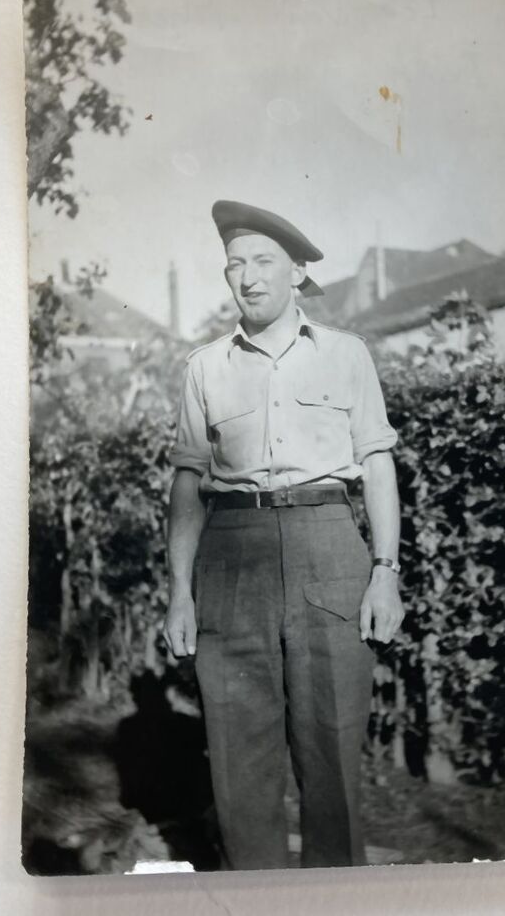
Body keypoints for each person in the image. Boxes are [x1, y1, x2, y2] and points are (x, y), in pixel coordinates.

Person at [163, 200, 404, 870]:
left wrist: (384, 571)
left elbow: (377, 464)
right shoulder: (205, 367)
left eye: (263, 261)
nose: (248, 277)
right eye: (235, 264)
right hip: (231, 557)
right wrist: (179, 593)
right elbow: (187, 484)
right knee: (238, 762)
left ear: (297, 272)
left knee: (332, 755)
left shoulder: (346, 355)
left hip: (328, 546)